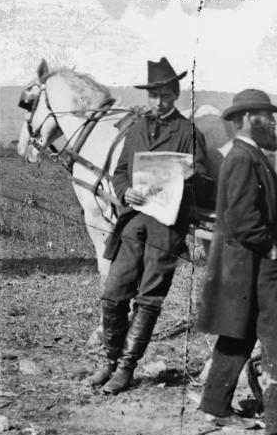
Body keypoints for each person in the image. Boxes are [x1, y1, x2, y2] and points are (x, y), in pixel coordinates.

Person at [85, 57, 210, 394]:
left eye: (166, 94)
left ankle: (126, 367)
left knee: (149, 298)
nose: (159, 101)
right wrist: (126, 192)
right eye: (154, 95)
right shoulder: (137, 129)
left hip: (165, 227)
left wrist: (191, 173)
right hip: (133, 222)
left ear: (175, 94)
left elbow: (203, 174)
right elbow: (121, 171)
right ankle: (109, 361)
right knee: (113, 295)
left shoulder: (188, 132)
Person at [196, 89, 277, 435]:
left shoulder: (247, 155)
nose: (273, 122)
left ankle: (215, 406)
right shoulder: (244, 159)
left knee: (237, 333)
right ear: (246, 119)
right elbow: (244, 220)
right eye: (266, 116)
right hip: (257, 264)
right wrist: (273, 244)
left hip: (244, 263)